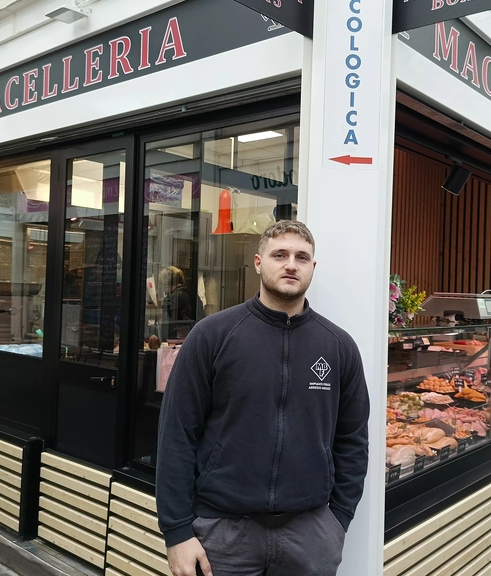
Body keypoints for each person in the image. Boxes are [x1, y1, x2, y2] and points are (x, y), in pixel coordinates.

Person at [156, 220, 370, 576]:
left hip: (311, 534)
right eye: (280, 254)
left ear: (312, 268)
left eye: (302, 257)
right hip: (223, 533)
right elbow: (177, 434)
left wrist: (338, 520)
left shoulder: (338, 346)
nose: (291, 264)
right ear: (258, 263)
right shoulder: (212, 336)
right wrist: (177, 532)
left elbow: (353, 440)